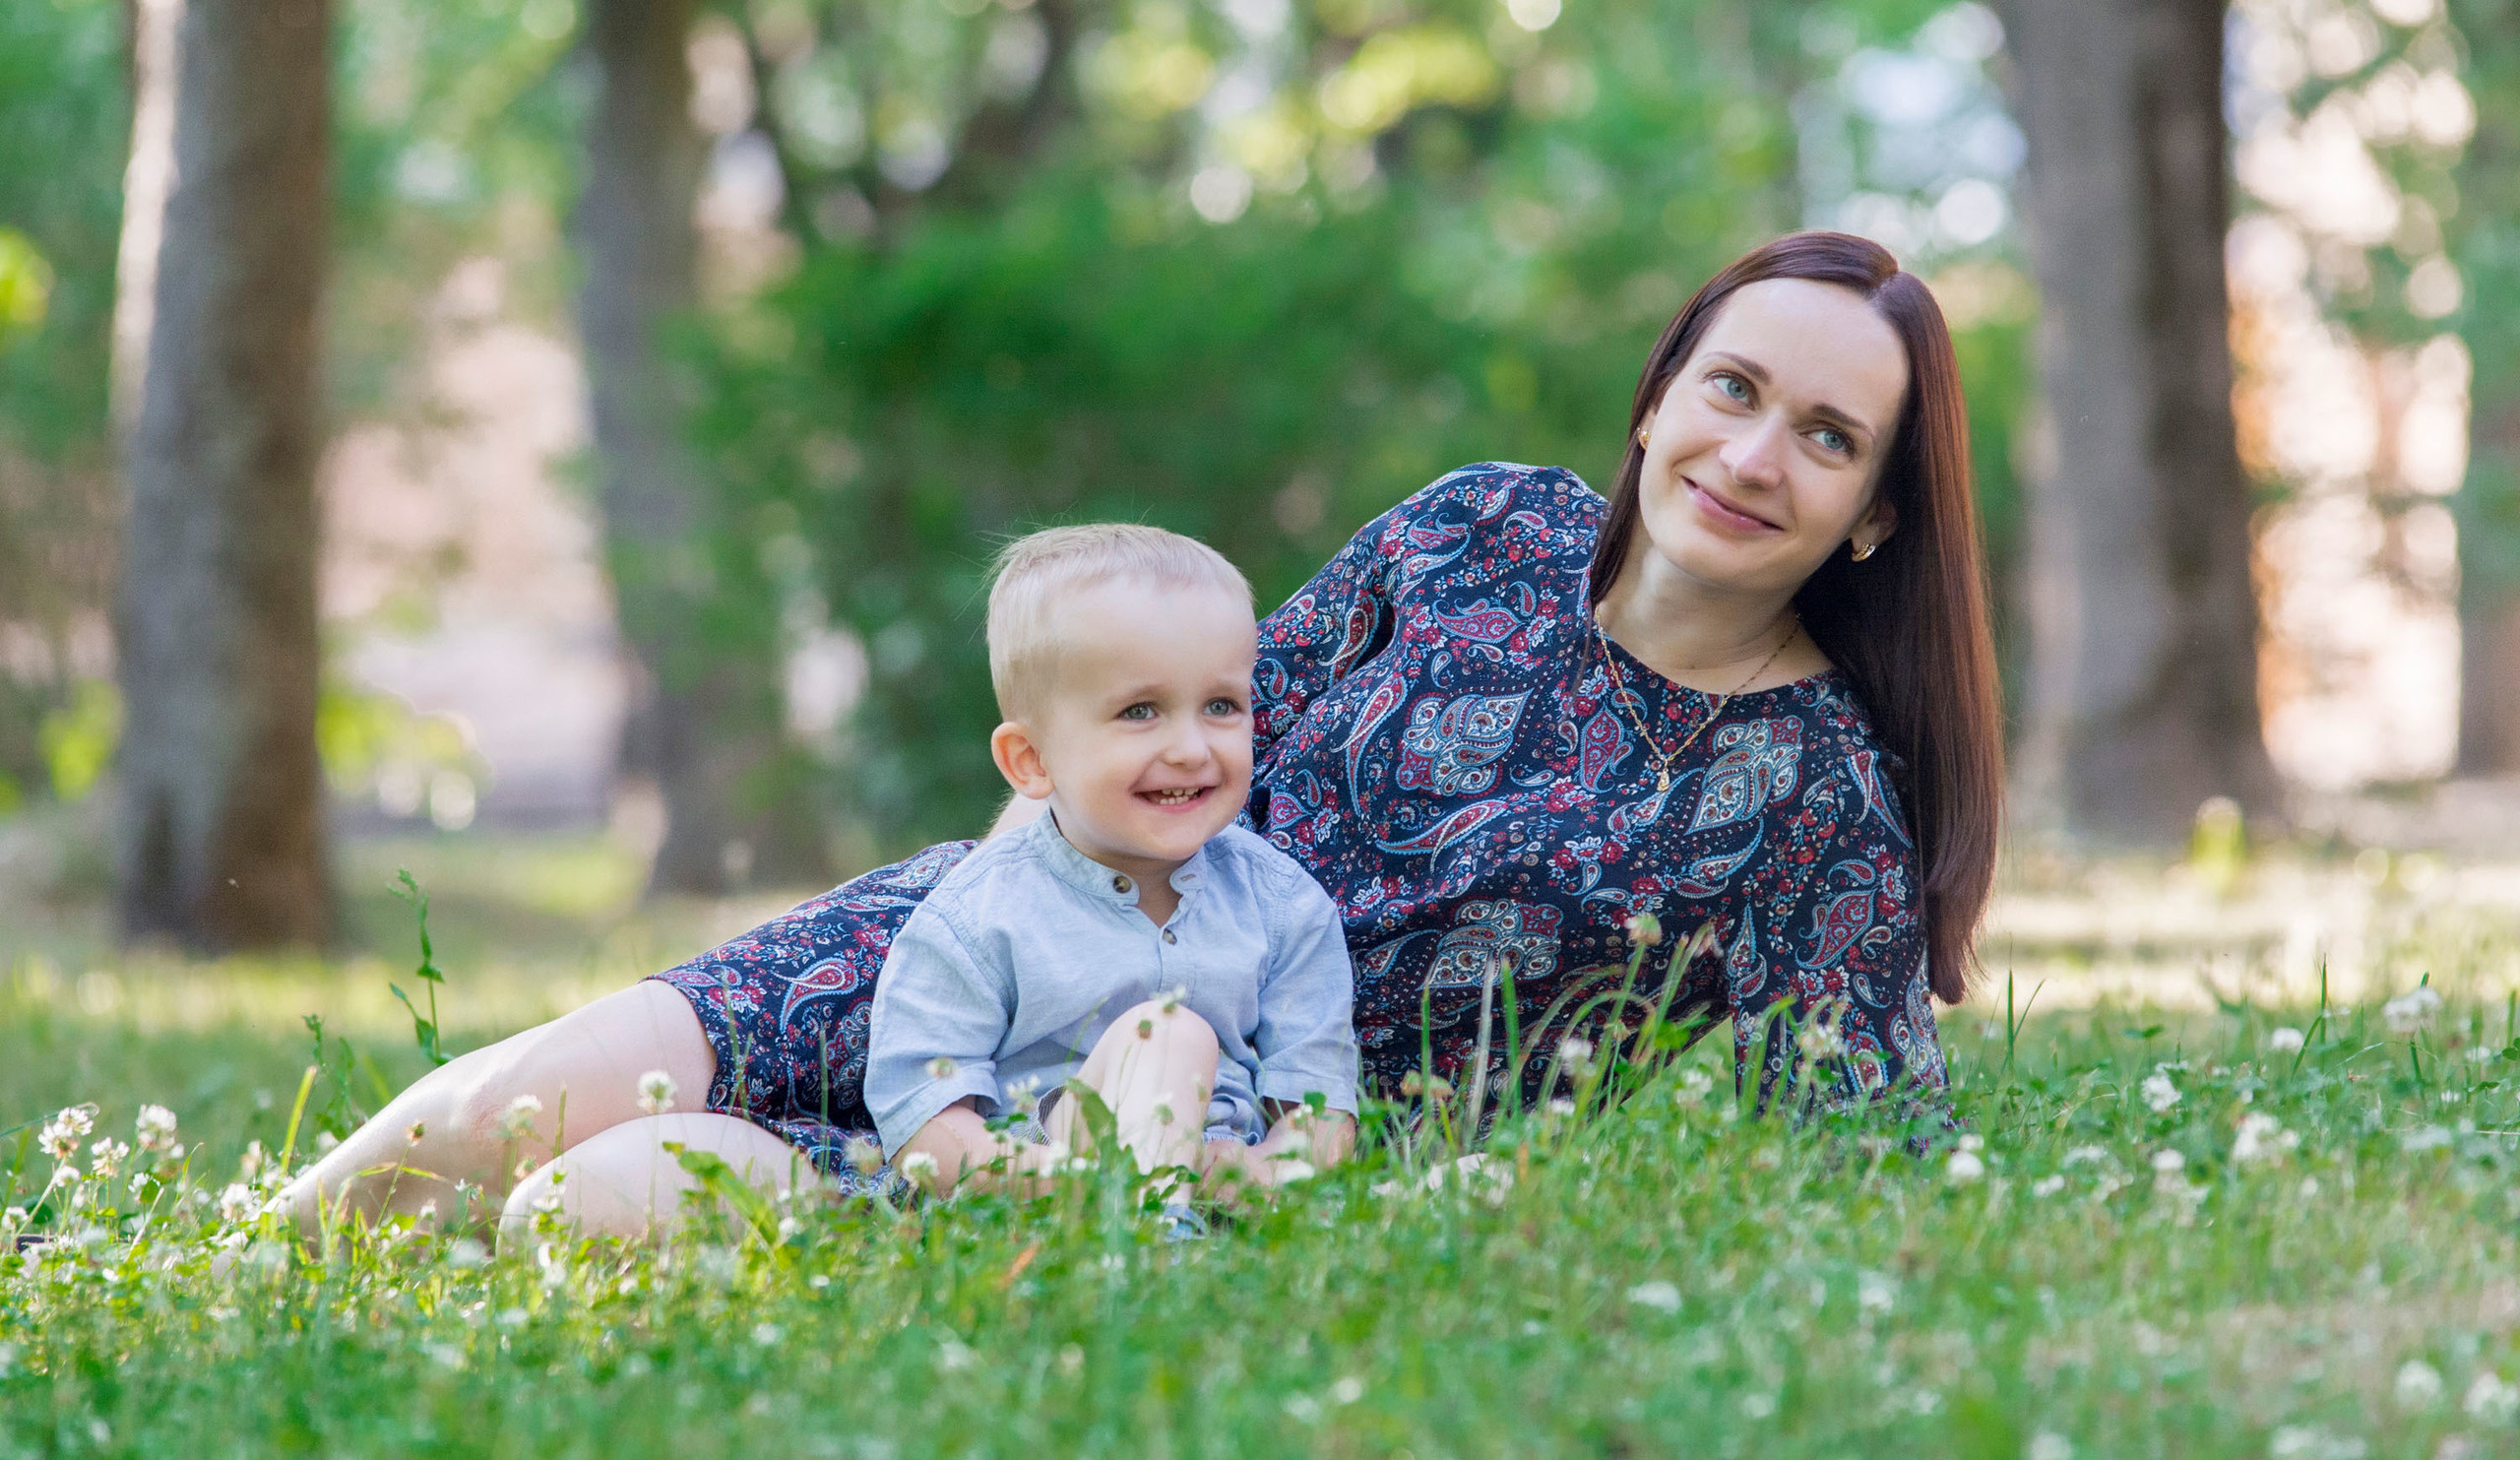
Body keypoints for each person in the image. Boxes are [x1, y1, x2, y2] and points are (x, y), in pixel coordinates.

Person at [279, 228, 2000, 1241]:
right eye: (1734, 387)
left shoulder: (1818, 799)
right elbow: (1197, 700)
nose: (1753, 454)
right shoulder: (1477, 527)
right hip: (989, 936)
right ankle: (217, 1258)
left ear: (1873, 514)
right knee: (501, 1109)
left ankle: (924, 1234)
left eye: (1827, 435)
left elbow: (1868, 1153)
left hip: (1209, 1148)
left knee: (594, 1206)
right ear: (1660, 392)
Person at [866, 524, 1357, 1206]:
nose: (1191, 749)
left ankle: (1169, 1216)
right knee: (1169, 1034)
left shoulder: (1283, 905)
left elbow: (1319, 1112)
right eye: (1140, 711)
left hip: (1223, 1182)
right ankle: (1149, 1232)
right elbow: (922, 1117)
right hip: (1050, 1184)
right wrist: (1068, 1182)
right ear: (1031, 760)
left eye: (1221, 705)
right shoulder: (979, 915)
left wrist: (1254, 1174)